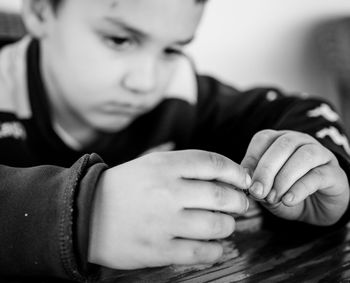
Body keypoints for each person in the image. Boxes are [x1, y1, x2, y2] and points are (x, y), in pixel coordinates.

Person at [0, 0, 349, 281]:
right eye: (119, 40)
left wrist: (307, 167)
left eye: (171, 50)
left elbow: (300, 109)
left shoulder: (181, 90)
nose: (145, 82)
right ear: (40, 10)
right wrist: (79, 215)